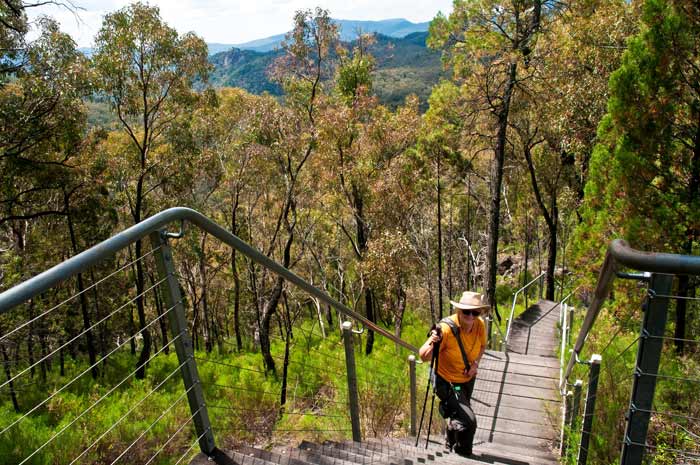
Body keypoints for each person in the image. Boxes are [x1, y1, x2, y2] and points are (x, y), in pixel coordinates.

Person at [418, 291, 488, 456]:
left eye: (475, 312)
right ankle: (463, 454)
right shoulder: (445, 330)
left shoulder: (479, 325)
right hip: (447, 382)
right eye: (466, 311)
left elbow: (483, 346)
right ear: (458, 311)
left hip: (467, 379)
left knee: (459, 414)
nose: (471, 316)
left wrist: (475, 364)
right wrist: (433, 342)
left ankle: (450, 441)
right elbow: (423, 356)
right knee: (469, 421)